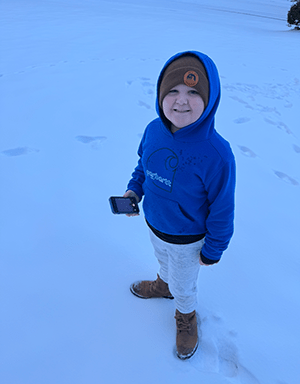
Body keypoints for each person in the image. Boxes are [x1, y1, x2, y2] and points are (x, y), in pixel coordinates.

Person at [124, 51, 236, 360]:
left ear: (210, 98)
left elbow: (223, 209)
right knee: (162, 260)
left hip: (189, 241)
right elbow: (142, 168)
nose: (181, 101)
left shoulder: (217, 154)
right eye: (172, 91)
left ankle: (186, 318)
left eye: (193, 92)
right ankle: (163, 285)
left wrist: (213, 249)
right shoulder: (153, 130)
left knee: (185, 286)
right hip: (156, 225)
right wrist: (134, 192)